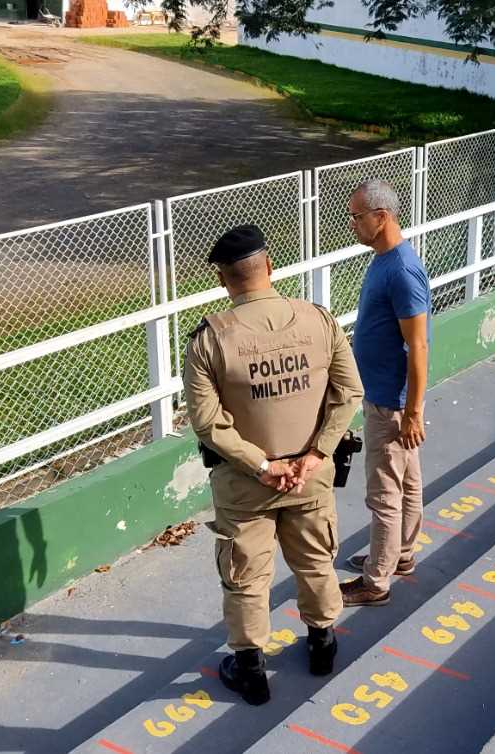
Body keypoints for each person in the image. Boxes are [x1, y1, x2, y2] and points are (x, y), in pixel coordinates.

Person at [183, 224, 363, 705]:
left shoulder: (209, 340)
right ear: (270, 268)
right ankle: (322, 645)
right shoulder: (318, 320)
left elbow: (209, 425)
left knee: (246, 575)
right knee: (316, 561)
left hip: (245, 486)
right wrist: (317, 453)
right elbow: (349, 394)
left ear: (223, 280)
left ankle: (250, 670)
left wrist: (262, 466)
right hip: (311, 477)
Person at [339, 178, 432, 607]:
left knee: (384, 494)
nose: (352, 223)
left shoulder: (401, 270)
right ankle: (402, 555)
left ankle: (376, 581)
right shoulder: (384, 260)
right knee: (407, 482)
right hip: (391, 401)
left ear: (382, 216)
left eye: (357, 216)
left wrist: (411, 412)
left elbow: (419, 344)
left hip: (391, 406)